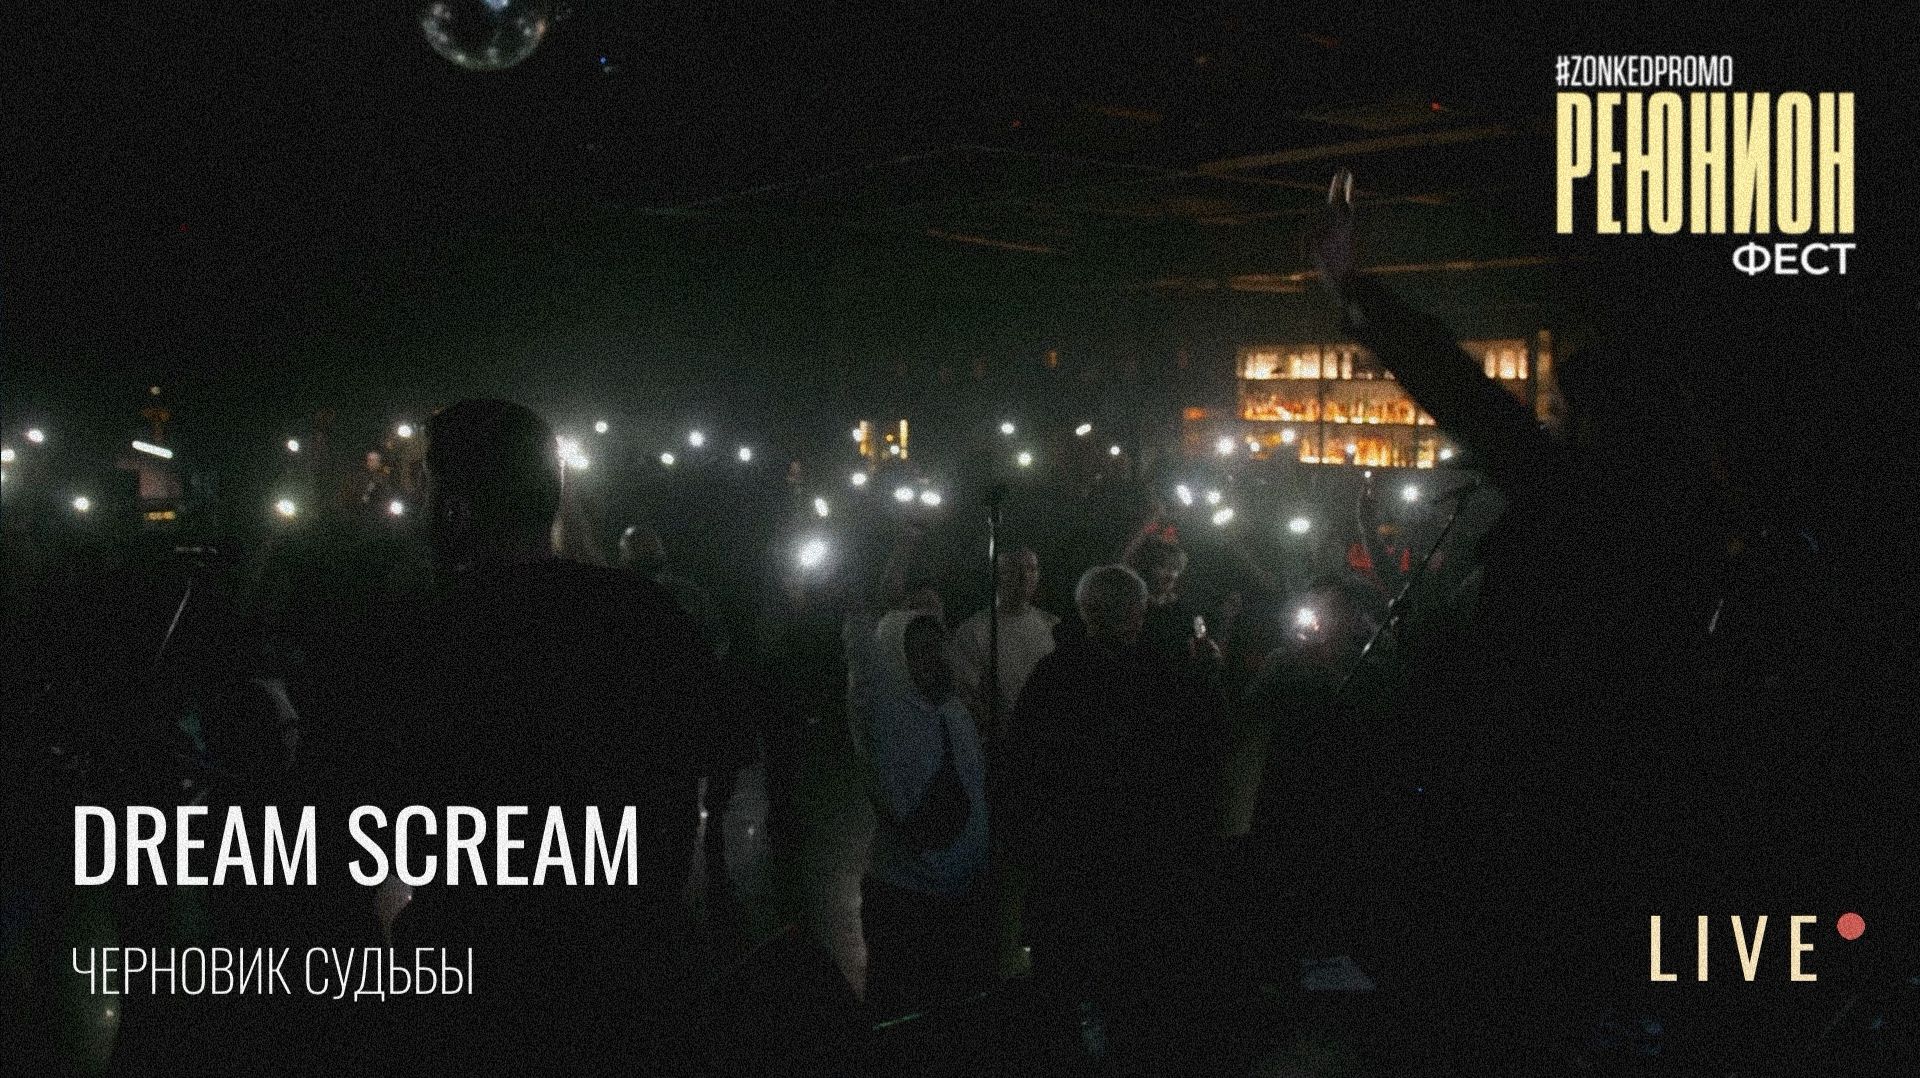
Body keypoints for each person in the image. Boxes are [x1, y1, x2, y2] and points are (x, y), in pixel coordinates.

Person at [302, 399, 729, 1073]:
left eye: (427, 484)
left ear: (453, 506)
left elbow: (349, 827)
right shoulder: (644, 614)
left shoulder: (412, 637)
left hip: (477, 996)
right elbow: (700, 774)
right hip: (632, 985)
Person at [1001, 565, 1229, 1068]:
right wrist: (1209, 679)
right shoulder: (1162, 676)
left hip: (1070, 866)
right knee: (1134, 996)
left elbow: (1022, 770)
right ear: (1139, 614)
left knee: (1067, 993)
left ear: (1084, 612)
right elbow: (1202, 755)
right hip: (1142, 865)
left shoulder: (1053, 677)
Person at [859, 610, 990, 1018]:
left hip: (962, 891)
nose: (936, 659)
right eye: (920, 652)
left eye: (939, 647)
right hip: (907, 899)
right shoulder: (885, 720)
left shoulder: (954, 713)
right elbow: (863, 672)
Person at [951, 546, 1057, 743]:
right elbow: (964, 693)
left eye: (1031, 569)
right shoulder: (974, 631)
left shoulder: (1051, 625)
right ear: (997, 575)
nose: (1024, 577)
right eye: (1015, 570)